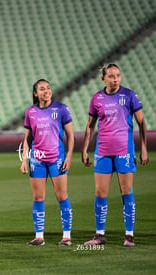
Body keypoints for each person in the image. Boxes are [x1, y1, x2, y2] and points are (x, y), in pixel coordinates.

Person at [82, 63, 149, 247]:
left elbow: (142, 122)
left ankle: (129, 235)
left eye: (118, 75)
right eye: (111, 76)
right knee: (100, 193)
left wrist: (143, 148)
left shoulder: (129, 95)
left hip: (124, 151)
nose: (116, 79)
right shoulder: (97, 98)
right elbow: (90, 125)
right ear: (103, 78)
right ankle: (100, 235)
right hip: (102, 151)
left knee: (126, 192)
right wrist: (85, 148)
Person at [20, 79, 74, 247]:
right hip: (37, 159)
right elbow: (27, 138)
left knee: (61, 196)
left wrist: (69, 156)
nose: (46, 91)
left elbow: (71, 136)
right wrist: (25, 159)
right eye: (42, 89)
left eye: (48, 88)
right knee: (38, 197)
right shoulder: (30, 112)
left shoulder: (61, 109)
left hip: (57, 158)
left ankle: (66, 236)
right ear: (35, 93)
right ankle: (39, 236)